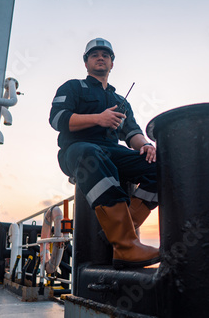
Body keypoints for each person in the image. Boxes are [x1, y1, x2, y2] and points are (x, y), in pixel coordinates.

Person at [49, 38, 160, 269]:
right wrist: (99, 118)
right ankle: (126, 245)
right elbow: (57, 119)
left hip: (112, 152)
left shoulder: (121, 101)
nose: (100, 57)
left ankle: (118, 231)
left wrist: (146, 146)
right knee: (91, 153)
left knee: (163, 168)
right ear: (86, 62)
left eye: (105, 55)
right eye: (94, 54)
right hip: (77, 150)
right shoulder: (72, 87)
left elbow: (132, 133)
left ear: (112, 63)